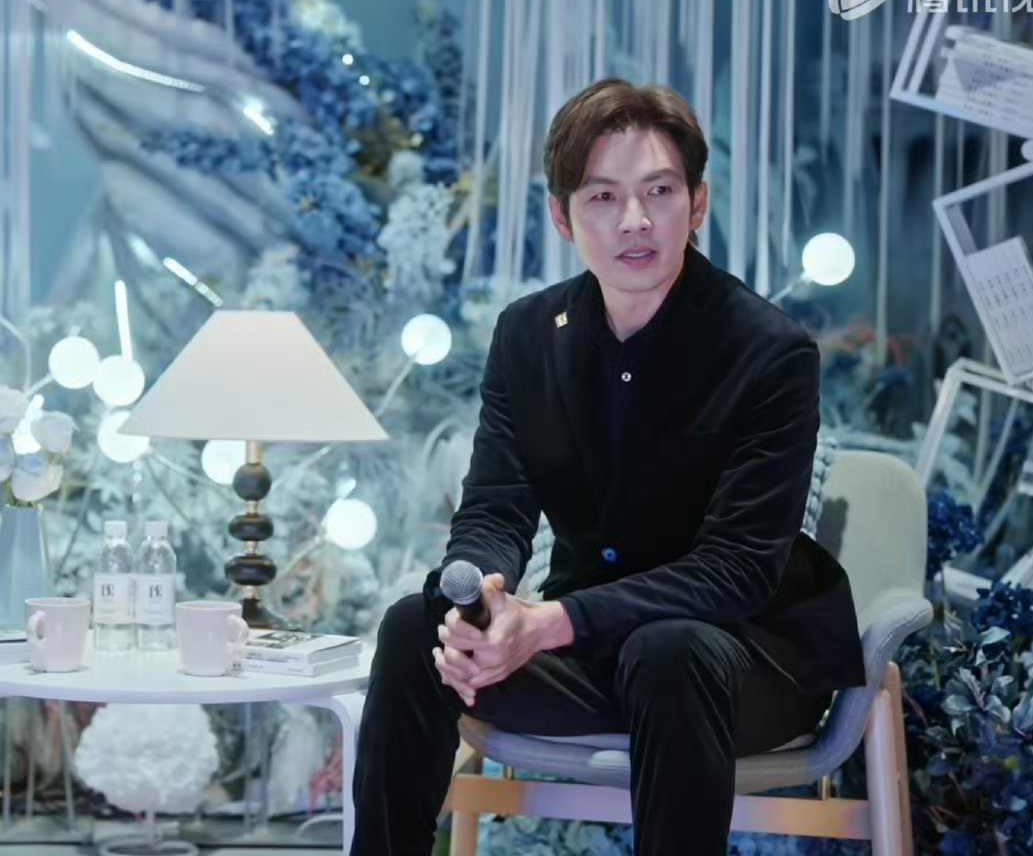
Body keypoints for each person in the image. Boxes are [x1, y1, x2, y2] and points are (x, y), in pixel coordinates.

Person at [350, 79, 865, 855]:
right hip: (590, 655)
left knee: (669, 649)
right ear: (562, 217)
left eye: (658, 191)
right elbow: (495, 504)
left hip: (741, 664)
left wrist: (550, 622)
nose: (634, 221)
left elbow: (736, 569)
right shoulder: (528, 335)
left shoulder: (768, 352)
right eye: (601, 197)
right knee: (414, 627)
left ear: (696, 202)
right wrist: (482, 597)